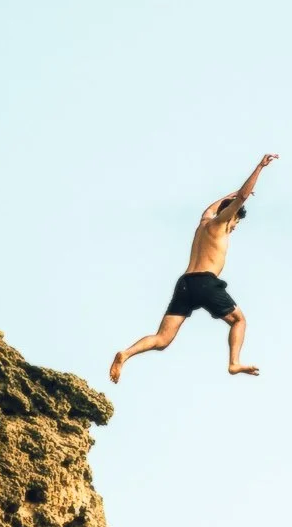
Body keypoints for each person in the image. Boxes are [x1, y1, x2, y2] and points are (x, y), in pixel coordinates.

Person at [110, 154, 277, 385]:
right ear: (231, 217)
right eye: (236, 222)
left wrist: (227, 196)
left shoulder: (204, 222)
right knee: (239, 320)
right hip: (205, 282)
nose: (235, 227)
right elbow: (242, 197)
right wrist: (259, 168)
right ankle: (234, 363)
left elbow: (210, 207)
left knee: (162, 339)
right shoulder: (220, 224)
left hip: (185, 283)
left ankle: (125, 354)